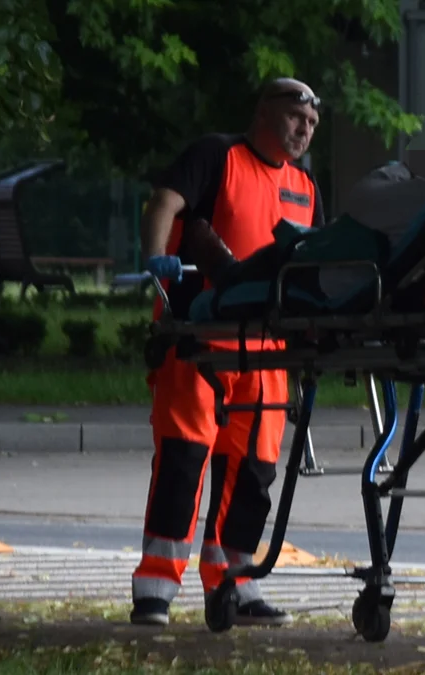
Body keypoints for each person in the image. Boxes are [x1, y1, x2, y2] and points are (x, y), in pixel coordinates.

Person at [130, 77, 325, 627]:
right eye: (294, 118)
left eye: (310, 124)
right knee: (184, 460)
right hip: (200, 338)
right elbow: (166, 203)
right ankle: (155, 589)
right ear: (263, 113)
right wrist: (155, 258)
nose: (302, 130)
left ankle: (234, 585)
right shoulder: (218, 155)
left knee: (254, 473)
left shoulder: (305, 186)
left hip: (268, 351)